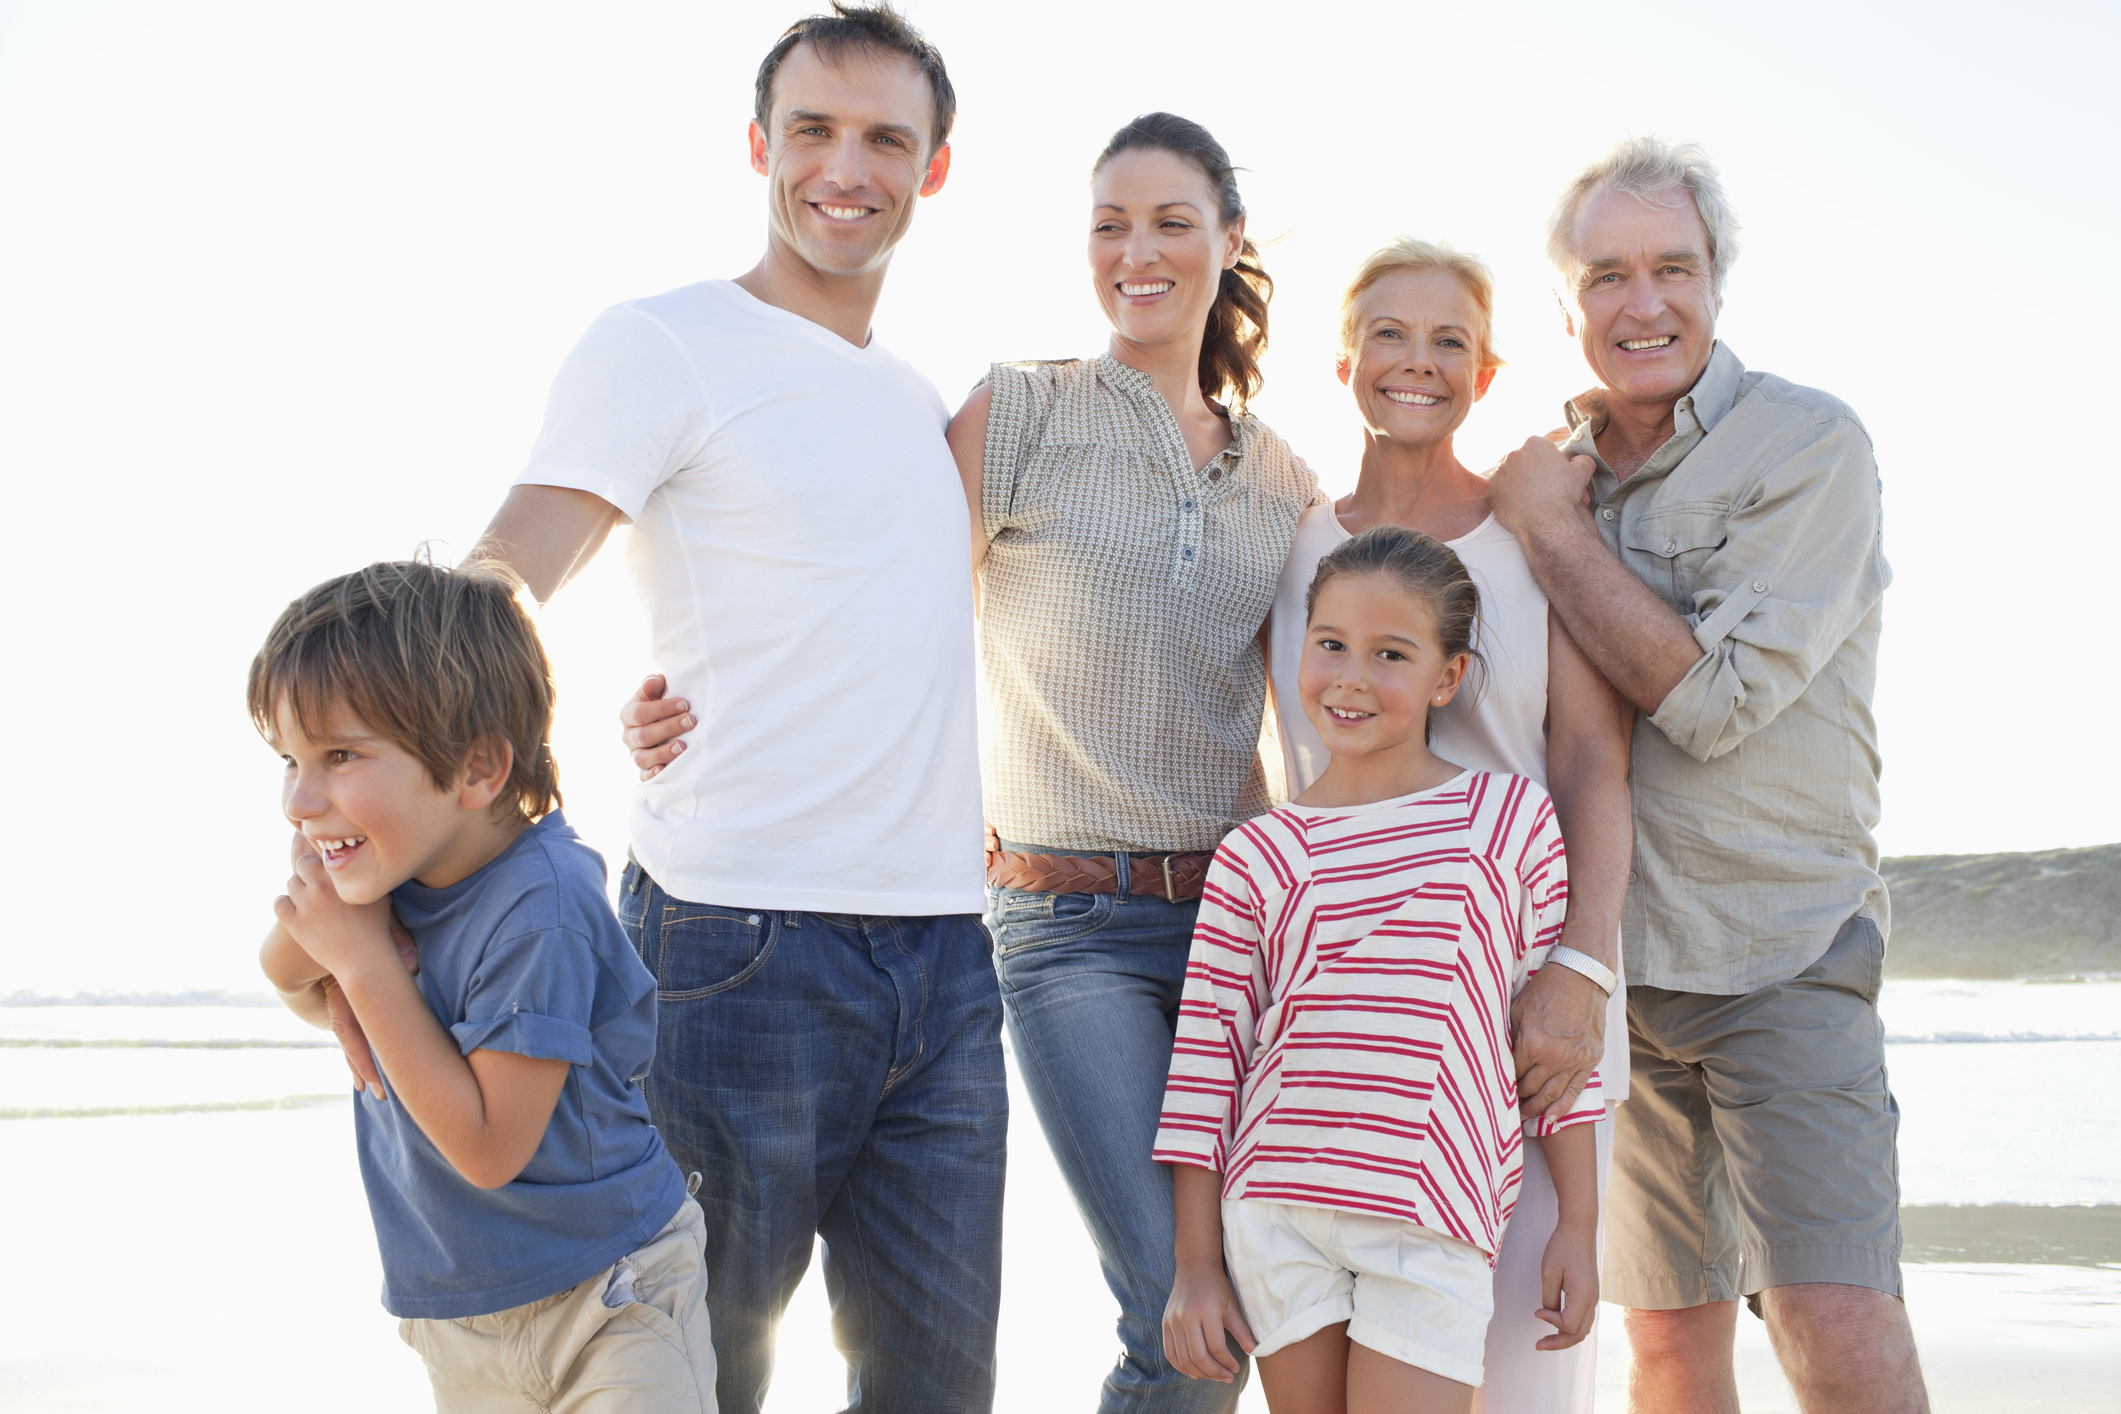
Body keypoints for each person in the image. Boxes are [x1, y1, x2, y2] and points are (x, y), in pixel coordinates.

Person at [457, 7, 1001, 1412]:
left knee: (937, 1391)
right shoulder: (664, 342)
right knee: (702, 1382)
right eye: (813, 129)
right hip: (733, 944)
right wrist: (522, 761)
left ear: (934, 168)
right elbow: (507, 574)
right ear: (759, 146)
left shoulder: (914, 398)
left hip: (947, 959)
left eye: (887, 137)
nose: (847, 166)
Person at [1487, 137, 1926, 1412]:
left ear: (1717, 283)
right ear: (1567, 308)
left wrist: (1553, 531)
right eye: (1608, 275)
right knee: (1668, 1346)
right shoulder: (1549, 473)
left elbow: (1717, 703)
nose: (1644, 304)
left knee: (1832, 1317)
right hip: (1617, 985)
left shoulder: (1806, 448)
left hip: (1782, 953)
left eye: (1673, 268)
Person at [956, 112, 1317, 1413]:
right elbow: (878, 617)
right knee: (1180, 1311)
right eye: (1110, 222)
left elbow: (1319, 720)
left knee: (1261, 1298)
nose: (1136, 249)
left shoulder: (1284, 480)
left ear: (1228, 243)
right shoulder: (1022, 412)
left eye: (1169, 220)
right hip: (1065, 930)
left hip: (1235, 929)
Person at [1263, 239, 1633, 1411]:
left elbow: (1589, 761)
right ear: (1341, 361)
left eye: (1448, 341)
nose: (1415, 362)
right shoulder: (1294, 546)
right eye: (1388, 332)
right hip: (1349, 1049)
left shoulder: (1535, 538)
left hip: (1529, 1019)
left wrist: (1580, 966)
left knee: (1522, 1386)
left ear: (1486, 372)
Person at [1157, 527, 1604, 1414]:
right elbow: (1208, 1065)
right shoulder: (1257, 852)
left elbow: (1550, 1046)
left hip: (1433, 1207)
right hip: (1276, 1208)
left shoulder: (1505, 820)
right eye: (1330, 645)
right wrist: (1195, 1266)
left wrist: (1580, 1225)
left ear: (1447, 678)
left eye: (1389, 654)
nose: (1351, 677)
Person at [252, 559, 714, 1413]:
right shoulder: (388, 871)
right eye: (288, 758)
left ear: (477, 769)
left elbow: (490, 1147)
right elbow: (283, 970)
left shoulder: (543, 905)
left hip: (608, 1296)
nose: (298, 799)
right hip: (460, 1314)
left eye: (340, 755)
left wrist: (360, 962)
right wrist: (344, 946)